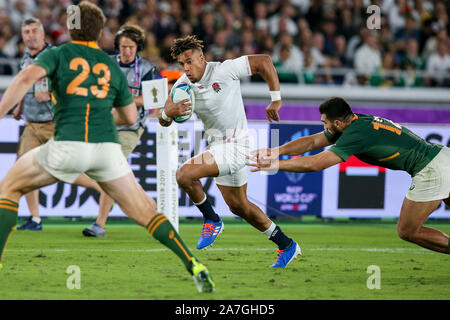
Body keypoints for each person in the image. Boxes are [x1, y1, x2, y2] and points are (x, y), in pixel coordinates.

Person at [0, 2, 215, 293]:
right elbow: (128, 117)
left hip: (68, 144)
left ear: (70, 29)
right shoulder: (110, 67)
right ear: (100, 32)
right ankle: (193, 263)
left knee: (9, 189)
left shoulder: (59, 53)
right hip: (108, 150)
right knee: (146, 213)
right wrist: (99, 110)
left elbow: (26, 78)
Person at [160, 35, 301, 268]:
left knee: (184, 174)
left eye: (189, 61)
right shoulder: (182, 85)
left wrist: (275, 99)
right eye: (182, 64)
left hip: (237, 145)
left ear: (202, 58)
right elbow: (165, 117)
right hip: (218, 147)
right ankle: (287, 245)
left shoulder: (225, 70)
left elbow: (264, 61)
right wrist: (168, 114)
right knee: (239, 206)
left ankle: (212, 219)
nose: (186, 68)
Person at [247, 97, 450, 255]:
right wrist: (276, 151)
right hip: (443, 156)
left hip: (431, 169)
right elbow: (312, 143)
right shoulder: (356, 121)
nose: (324, 127)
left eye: (325, 123)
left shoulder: (355, 135)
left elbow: (314, 163)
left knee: (408, 230)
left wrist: (275, 165)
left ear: (337, 122)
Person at [14, 17, 101, 231]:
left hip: (56, 123)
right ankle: (35, 219)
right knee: (24, 169)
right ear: (23, 36)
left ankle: (105, 189)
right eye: (26, 32)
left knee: (67, 169)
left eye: (35, 31)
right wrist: (19, 106)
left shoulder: (57, 56)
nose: (30, 35)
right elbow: (24, 84)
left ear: (43, 34)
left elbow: (74, 84)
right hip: (32, 124)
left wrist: (52, 93)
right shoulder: (25, 59)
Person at [82, 23, 156, 238]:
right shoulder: (105, 65)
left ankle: (100, 224)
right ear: (118, 46)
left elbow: (154, 99)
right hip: (105, 124)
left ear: (137, 47)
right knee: (94, 167)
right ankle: (148, 202)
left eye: (131, 47)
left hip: (131, 128)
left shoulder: (147, 69)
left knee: (109, 168)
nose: (126, 51)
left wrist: (125, 101)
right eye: (123, 47)